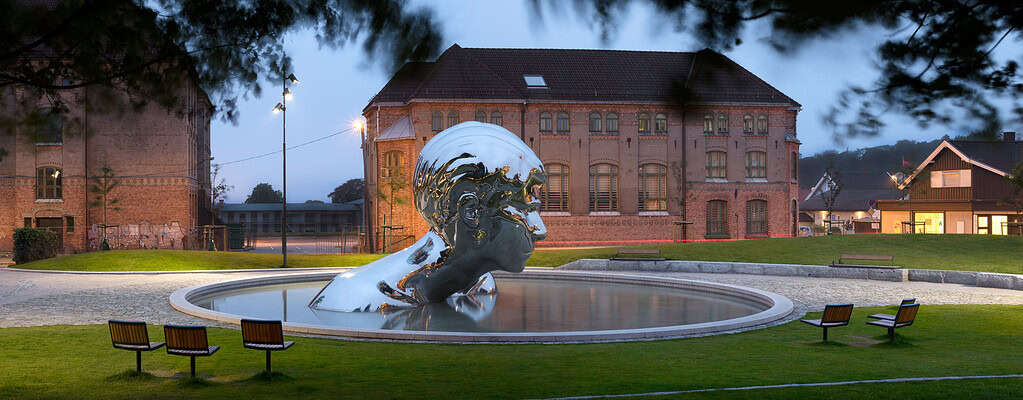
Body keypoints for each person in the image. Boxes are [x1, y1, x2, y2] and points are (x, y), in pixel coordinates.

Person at [311, 122, 547, 312]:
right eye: (526, 210)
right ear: (470, 212)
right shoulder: (351, 297)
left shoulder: (480, 286)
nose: (540, 231)